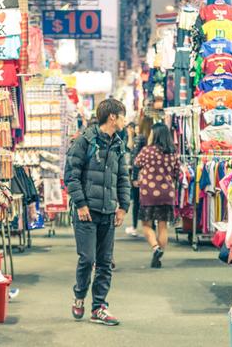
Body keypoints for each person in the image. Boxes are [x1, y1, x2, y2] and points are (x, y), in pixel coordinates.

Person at [64, 99, 131, 326]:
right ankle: (80, 295)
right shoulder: (84, 141)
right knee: (87, 258)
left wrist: (123, 206)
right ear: (112, 117)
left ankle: (99, 307)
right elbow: (71, 175)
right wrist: (81, 204)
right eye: (123, 115)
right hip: (86, 212)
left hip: (108, 212)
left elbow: (122, 177)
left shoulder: (119, 144)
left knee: (105, 261)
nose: (125, 120)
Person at [134, 123, 180, 268]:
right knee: (163, 226)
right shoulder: (173, 153)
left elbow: (137, 163)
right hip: (167, 194)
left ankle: (155, 248)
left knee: (146, 225)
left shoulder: (147, 151)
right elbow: (177, 173)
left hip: (149, 194)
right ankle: (159, 255)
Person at [127, 117, 153, 237]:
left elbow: (136, 158)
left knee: (137, 201)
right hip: (151, 175)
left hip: (140, 174)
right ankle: (152, 226)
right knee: (149, 201)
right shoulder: (152, 139)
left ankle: (134, 226)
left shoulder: (140, 138)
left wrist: (134, 177)